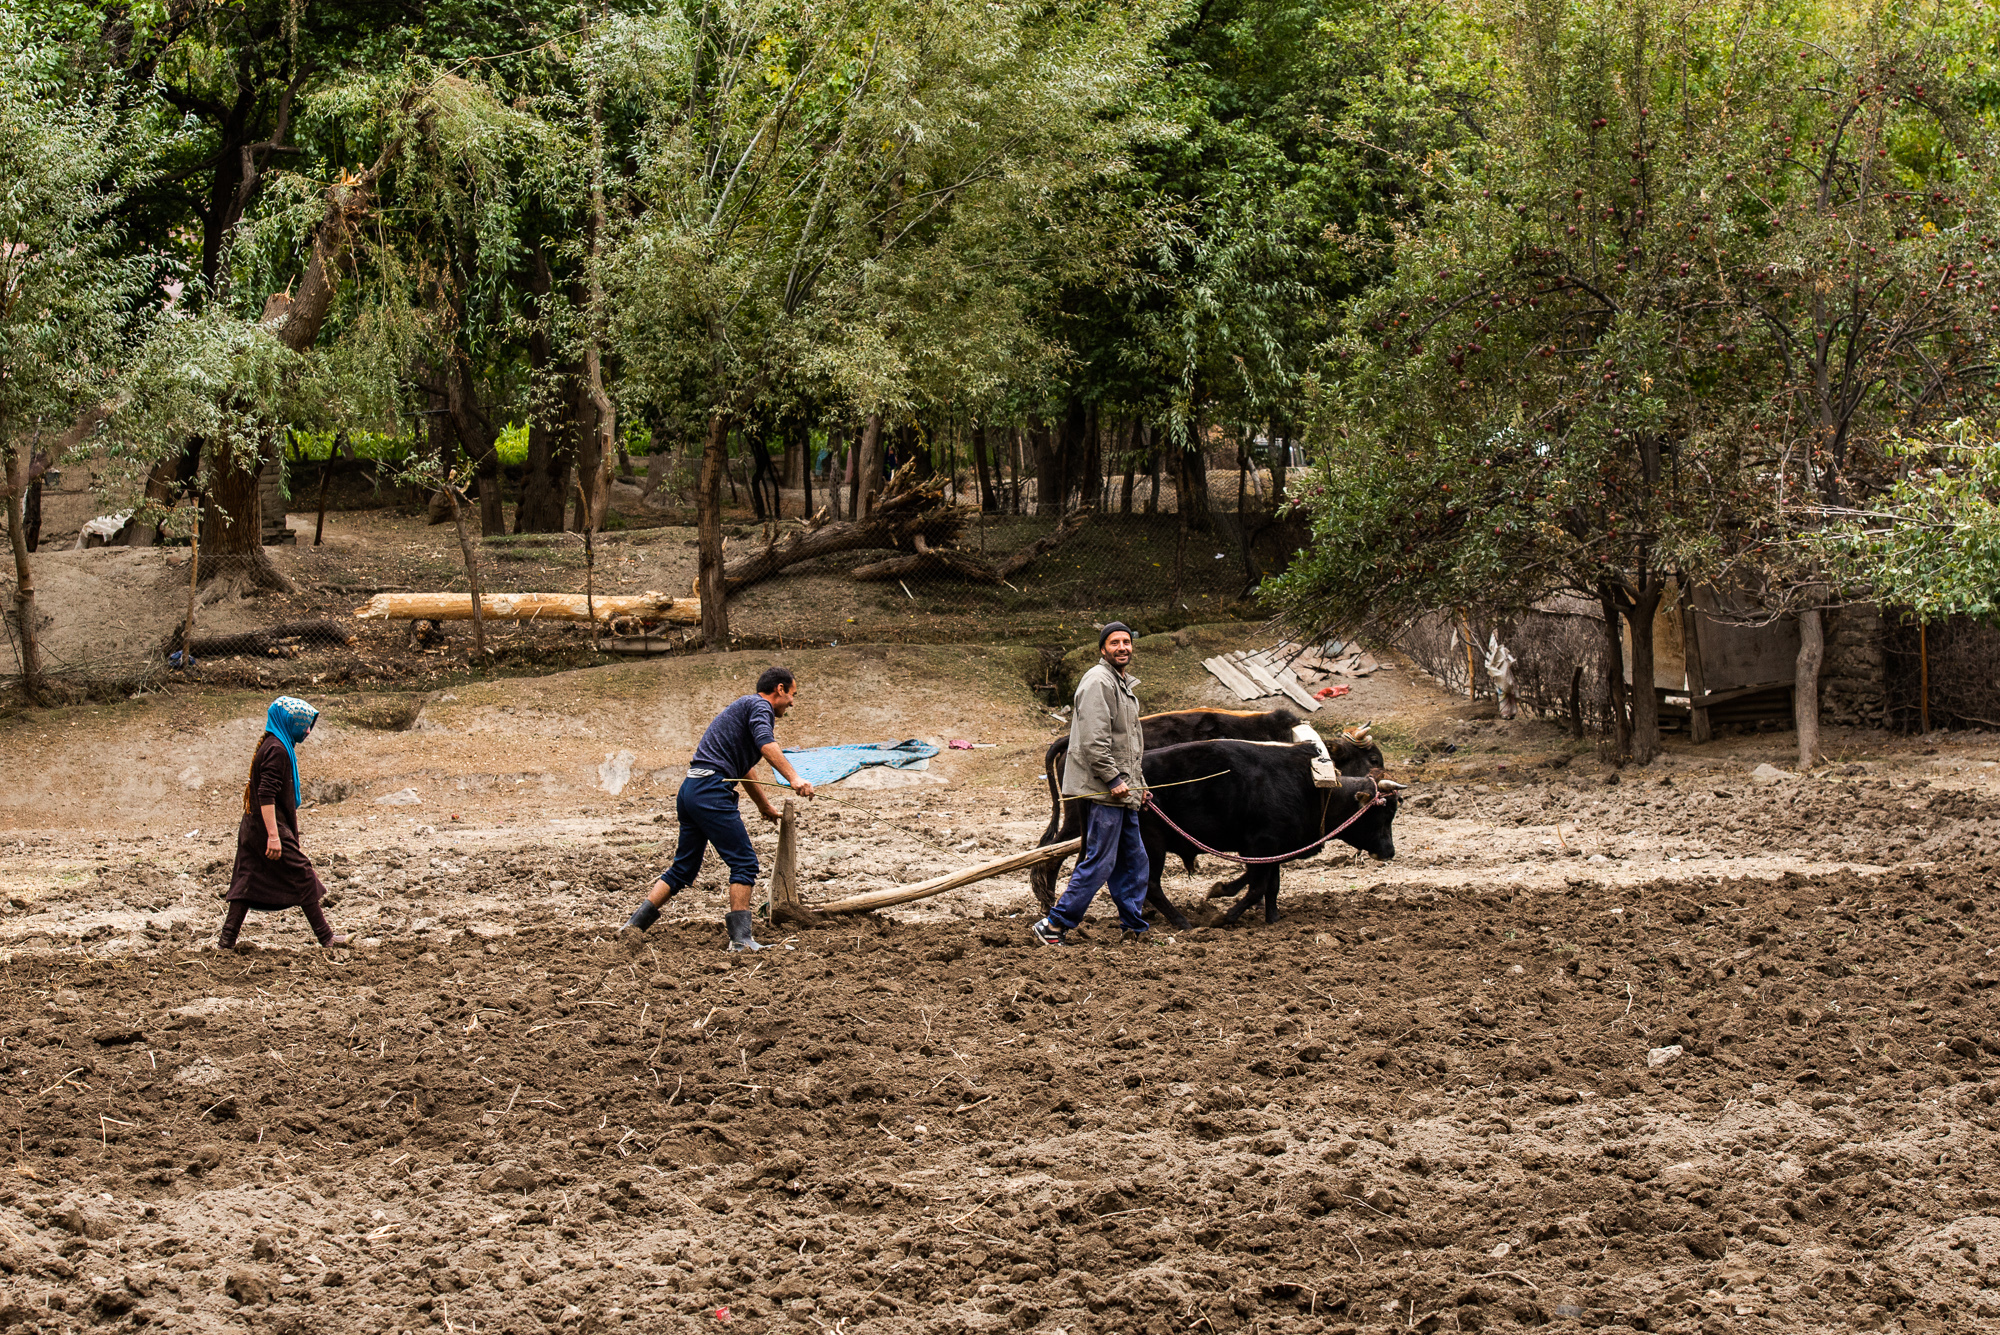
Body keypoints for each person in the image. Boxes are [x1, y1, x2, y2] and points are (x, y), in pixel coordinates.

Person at [622, 667, 815, 951]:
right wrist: (795, 778)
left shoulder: (745, 709)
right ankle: (741, 940)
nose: (792, 703)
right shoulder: (760, 706)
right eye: (793, 695)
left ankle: (633, 926)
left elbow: (745, 769)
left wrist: (764, 805)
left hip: (691, 789)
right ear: (781, 689)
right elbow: (766, 743)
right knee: (745, 862)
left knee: (683, 868)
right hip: (711, 791)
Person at [1033, 623, 1152, 946]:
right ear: (1103, 649)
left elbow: (1129, 745)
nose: (1123, 647)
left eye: (1127, 642)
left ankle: (1134, 928)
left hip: (1124, 793)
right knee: (1101, 861)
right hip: (1103, 791)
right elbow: (1094, 742)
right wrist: (1113, 779)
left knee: (1136, 860)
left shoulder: (1123, 684)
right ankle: (1054, 924)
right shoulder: (1098, 682)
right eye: (1115, 643)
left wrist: (1138, 785)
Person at [219, 696, 348, 950]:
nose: (307, 731)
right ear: (288, 723)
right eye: (303, 724)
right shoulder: (277, 750)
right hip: (267, 826)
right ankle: (327, 938)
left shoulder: (271, 743)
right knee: (302, 872)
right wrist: (274, 836)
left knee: (248, 880)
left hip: (253, 826)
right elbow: (265, 795)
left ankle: (226, 942)